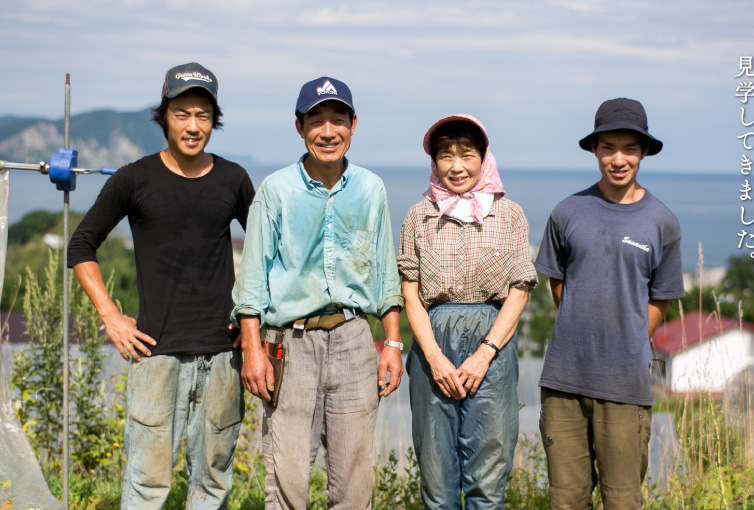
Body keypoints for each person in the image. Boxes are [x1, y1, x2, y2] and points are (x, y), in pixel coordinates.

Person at [68, 62, 255, 509]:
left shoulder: (233, 179)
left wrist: (253, 325)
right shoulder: (134, 178)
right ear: (164, 117)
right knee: (146, 485)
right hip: (155, 354)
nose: (193, 126)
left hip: (223, 355)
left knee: (213, 482)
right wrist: (110, 316)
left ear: (214, 120)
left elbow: (269, 254)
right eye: (182, 114)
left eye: (203, 115)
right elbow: (81, 246)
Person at [232, 76, 404, 509]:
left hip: (354, 341)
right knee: (287, 480)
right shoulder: (276, 190)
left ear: (353, 124)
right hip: (289, 345)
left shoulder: (370, 189)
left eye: (338, 120)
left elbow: (386, 273)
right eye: (316, 121)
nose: (328, 132)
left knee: (354, 485)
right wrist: (252, 349)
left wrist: (393, 343)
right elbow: (251, 280)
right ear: (300, 127)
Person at [534, 98, 684, 510]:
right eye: (608, 148)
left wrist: (628, 338)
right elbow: (558, 282)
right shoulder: (566, 212)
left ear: (644, 151)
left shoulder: (662, 221)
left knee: (622, 501)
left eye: (629, 149)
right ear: (595, 150)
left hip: (624, 384)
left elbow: (661, 299)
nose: (618, 159)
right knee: (566, 500)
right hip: (563, 381)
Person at [397, 114, 537, 509]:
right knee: (436, 473)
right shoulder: (419, 215)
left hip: (493, 341)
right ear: (434, 162)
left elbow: (519, 291)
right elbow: (410, 293)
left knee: (488, 472)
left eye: (467, 155)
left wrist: (484, 354)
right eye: (446, 156)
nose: (456, 166)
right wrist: (434, 358)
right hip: (432, 341)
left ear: (484, 158)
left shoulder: (509, 214)